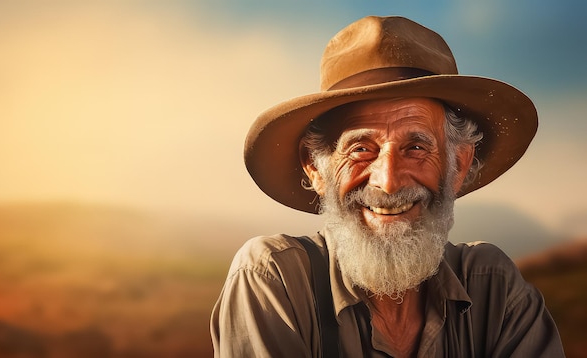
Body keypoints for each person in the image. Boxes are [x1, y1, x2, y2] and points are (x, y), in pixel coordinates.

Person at [210, 16, 564, 357]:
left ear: (459, 164)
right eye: (361, 149)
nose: (389, 181)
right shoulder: (275, 280)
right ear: (315, 167)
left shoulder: (493, 288)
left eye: (416, 148)